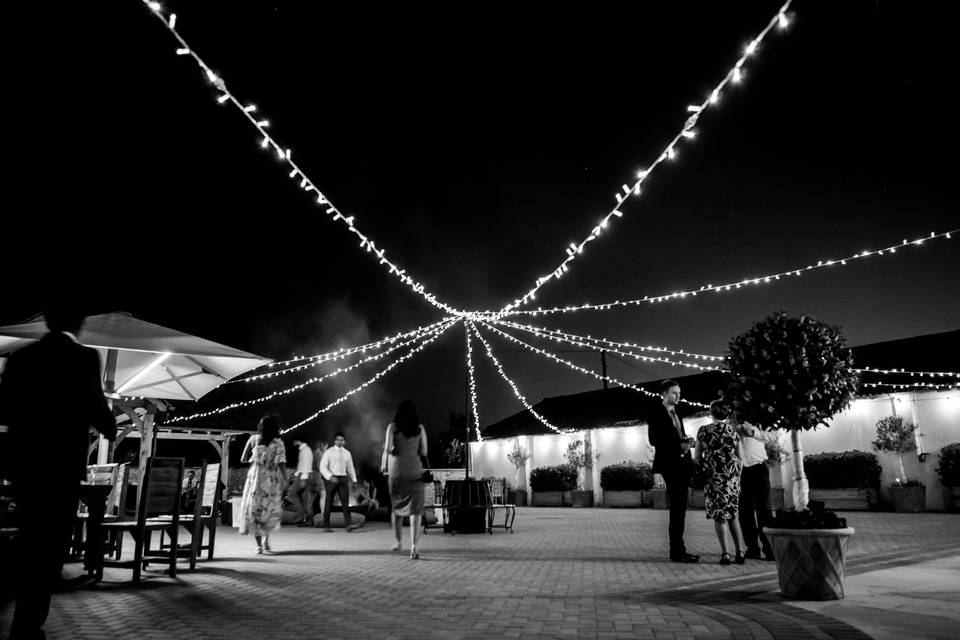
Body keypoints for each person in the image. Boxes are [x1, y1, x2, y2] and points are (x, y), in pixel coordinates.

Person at [0, 307, 117, 640]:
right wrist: (108, 428)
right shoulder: (83, 358)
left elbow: (4, 406)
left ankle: (21, 606)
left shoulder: (22, 357)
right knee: (50, 541)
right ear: (78, 324)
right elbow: (95, 404)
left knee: (29, 534)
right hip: (61, 464)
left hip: (25, 463)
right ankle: (29, 623)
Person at [647, 380, 699, 563]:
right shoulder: (656, 413)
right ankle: (677, 551)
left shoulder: (676, 414)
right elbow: (654, 439)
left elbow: (677, 435)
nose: (678, 396)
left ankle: (679, 549)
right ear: (665, 394)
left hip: (683, 464)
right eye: (674, 393)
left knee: (680, 509)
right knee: (677, 509)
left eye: (679, 392)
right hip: (670, 464)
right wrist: (679, 444)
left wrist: (686, 441)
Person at [696, 400, 745, 565]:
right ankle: (740, 552)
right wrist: (737, 480)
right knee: (733, 516)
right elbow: (740, 459)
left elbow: (697, 458)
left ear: (711, 413)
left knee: (720, 517)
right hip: (731, 479)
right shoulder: (733, 431)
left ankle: (725, 554)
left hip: (714, 479)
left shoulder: (704, 431)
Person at [380, 400, 429, 559]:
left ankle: (398, 541)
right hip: (415, 472)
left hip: (397, 472)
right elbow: (424, 451)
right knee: (416, 510)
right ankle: (414, 546)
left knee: (397, 507)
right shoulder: (420, 428)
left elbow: (388, 449)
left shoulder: (392, 427)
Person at [238, 415, 287, 554]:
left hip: (255, 479)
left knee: (255, 510)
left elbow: (242, 459)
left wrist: (256, 458)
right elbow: (282, 463)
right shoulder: (278, 443)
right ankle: (266, 540)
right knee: (268, 509)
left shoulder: (253, 439)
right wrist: (286, 480)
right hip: (271, 479)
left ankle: (258, 546)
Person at [734, 414, 775, 561]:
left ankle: (770, 549)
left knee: (764, 510)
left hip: (759, 468)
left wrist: (753, 432)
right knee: (744, 512)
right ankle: (752, 548)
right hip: (740, 471)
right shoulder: (731, 419)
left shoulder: (762, 418)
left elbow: (774, 436)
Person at [319, 432, 357, 532]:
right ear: (335, 441)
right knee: (328, 503)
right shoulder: (329, 452)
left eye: (342, 440)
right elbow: (322, 467)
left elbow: (350, 468)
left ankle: (348, 525)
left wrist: (354, 480)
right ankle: (326, 526)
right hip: (332, 479)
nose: (340, 441)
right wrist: (330, 476)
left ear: (344, 441)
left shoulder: (347, 453)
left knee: (346, 504)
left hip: (343, 479)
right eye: (338, 439)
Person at [292, 438, 315, 527]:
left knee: (305, 497)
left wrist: (303, 478)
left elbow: (306, 464)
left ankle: (308, 518)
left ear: (298, 440)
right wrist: (297, 473)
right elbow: (302, 464)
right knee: (302, 496)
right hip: (304, 475)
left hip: (306, 476)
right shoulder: (303, 450)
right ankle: (306, 517)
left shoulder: (306, 450)